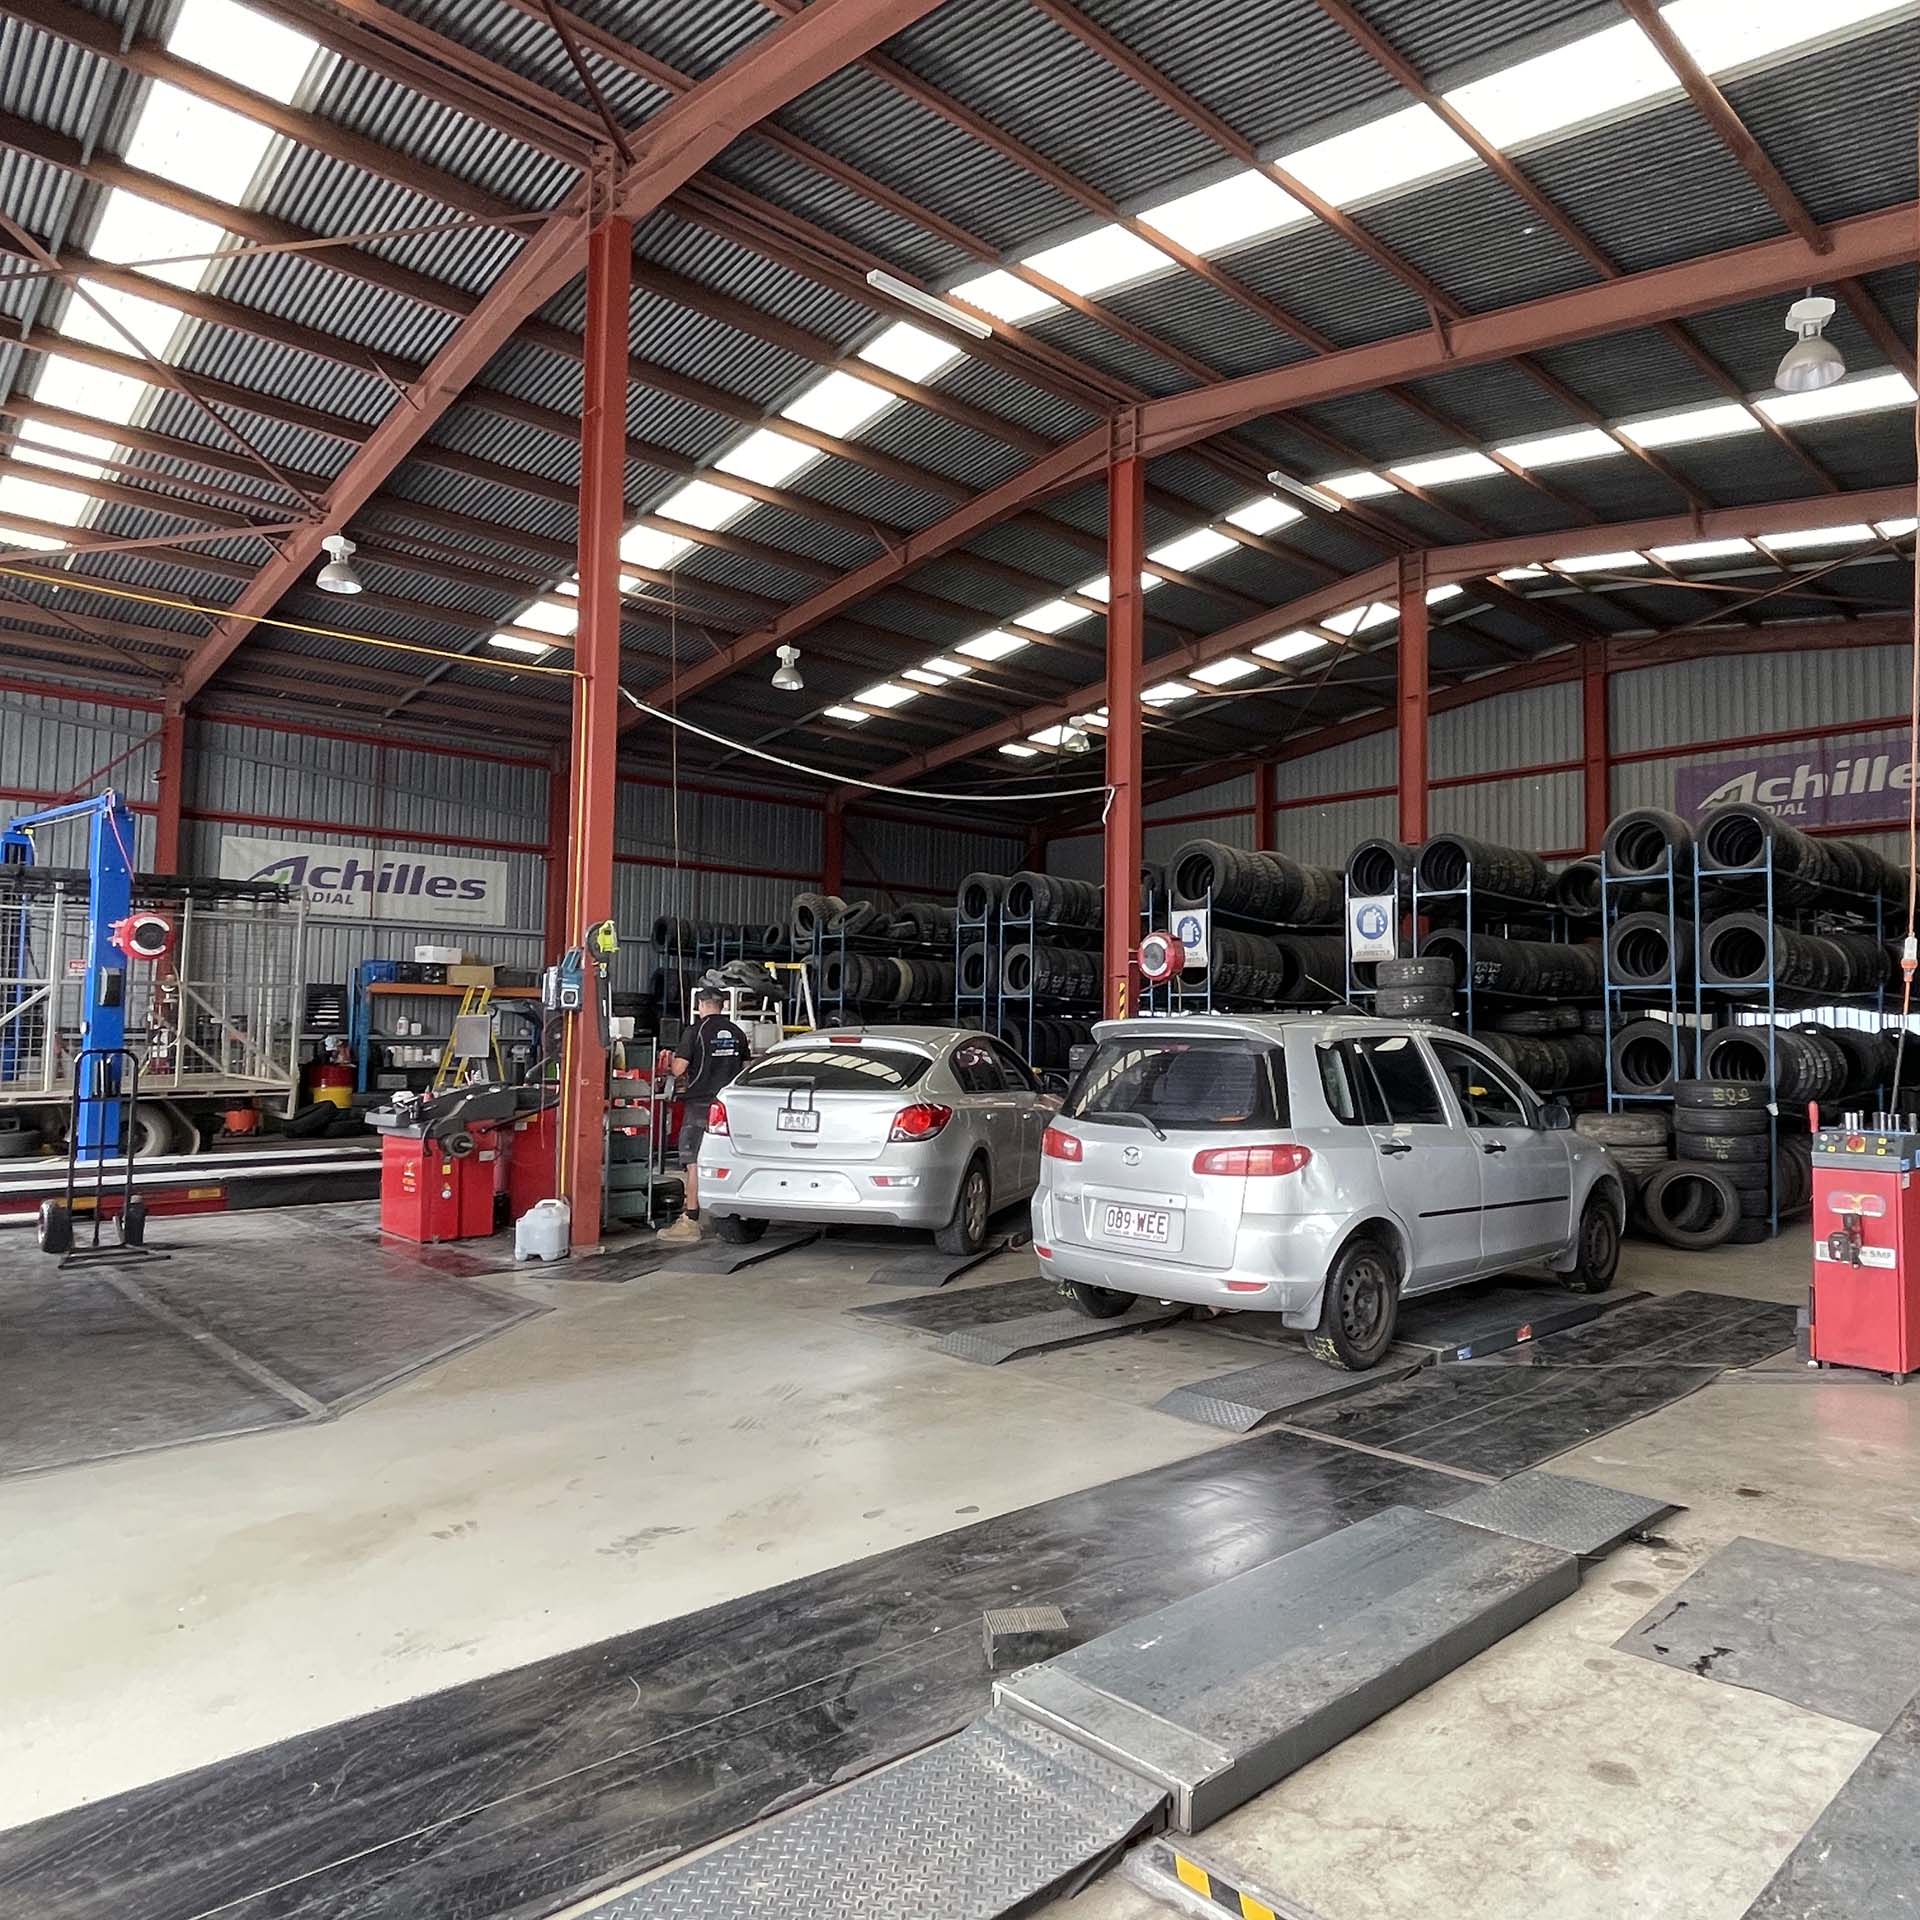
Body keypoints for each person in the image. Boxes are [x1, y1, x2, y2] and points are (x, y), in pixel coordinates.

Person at [658, 985, 748, 1242]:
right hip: (728, 1106)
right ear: (722, 1005)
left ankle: (690, 1220)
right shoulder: (737, 1033)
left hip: (699, 1105)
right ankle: (730, 1212)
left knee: (694, 1160)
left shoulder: (695, 1032)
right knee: (727, 1158)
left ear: (701, 1005)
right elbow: (744, 1068)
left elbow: (679, 1069)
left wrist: (669, 1062)